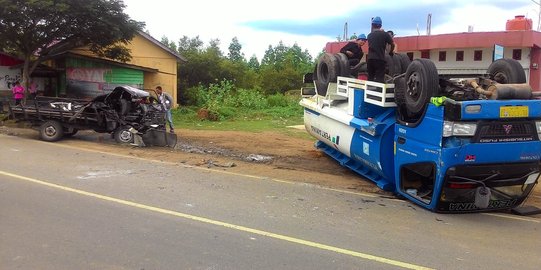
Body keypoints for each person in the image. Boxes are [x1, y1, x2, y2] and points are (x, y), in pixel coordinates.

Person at [367, 16, 395, 83]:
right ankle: (378, 92)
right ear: (381, 25)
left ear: (372, 25)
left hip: (370, 59)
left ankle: (369, 92)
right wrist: (391, 52)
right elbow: (392, 44)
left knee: (370, 78)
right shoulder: (385, 35)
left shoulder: (369, 35)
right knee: (379, 79)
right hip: (380, 59)